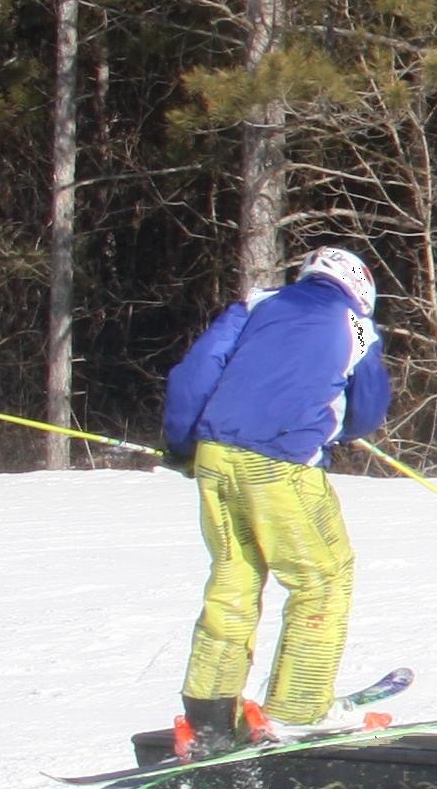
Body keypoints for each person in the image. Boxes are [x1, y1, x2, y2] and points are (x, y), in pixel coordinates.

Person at [158, 246, 391, 756]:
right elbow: (368, 410)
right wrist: (331, 427)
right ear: (361, 286)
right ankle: (300, 709)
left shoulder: (256, 303)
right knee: (322, 579)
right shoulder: (357, 325)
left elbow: (195, 374)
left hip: (216, 457)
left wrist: (182, 443)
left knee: (234, 580)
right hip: (282, 463)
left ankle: (209, 712)